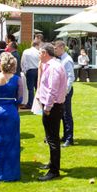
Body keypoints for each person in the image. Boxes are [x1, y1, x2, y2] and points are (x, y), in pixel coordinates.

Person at [0, 52, 23, 182]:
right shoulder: (18, 79)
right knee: (11, 143)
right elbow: (20, 99)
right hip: (11, 112)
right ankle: (10, 174)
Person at [36, 43, 67, 181]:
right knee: (50, 137)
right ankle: (52, 164)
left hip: (52, 107)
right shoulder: (51, 65)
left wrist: (47, 108)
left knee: (53, 138)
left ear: (45, 53)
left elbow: (52, 90)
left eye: (40, 52)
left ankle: (54, 171)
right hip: (52, 106)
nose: (38, 55)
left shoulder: (54, 67)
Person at [54, 40, 76, 147]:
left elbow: (71, 77)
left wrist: (66, 91)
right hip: (62, 90)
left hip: (65, 91)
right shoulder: (61, 59)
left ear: (62, 47)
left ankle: (69, 138)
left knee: (67, 114)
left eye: (56, 48)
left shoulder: (67, 60)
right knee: (63, 114)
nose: (55, 50)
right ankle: (66, 135)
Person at [21, 39, 41, 109]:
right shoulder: (39, 52)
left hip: (30, 70)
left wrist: (24, 71)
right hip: (38, 70)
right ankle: (39, 103)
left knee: (30, 89)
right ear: (37, 45)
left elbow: (23, 62)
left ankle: (30, 103)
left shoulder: (26, 51)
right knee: (37, 88)